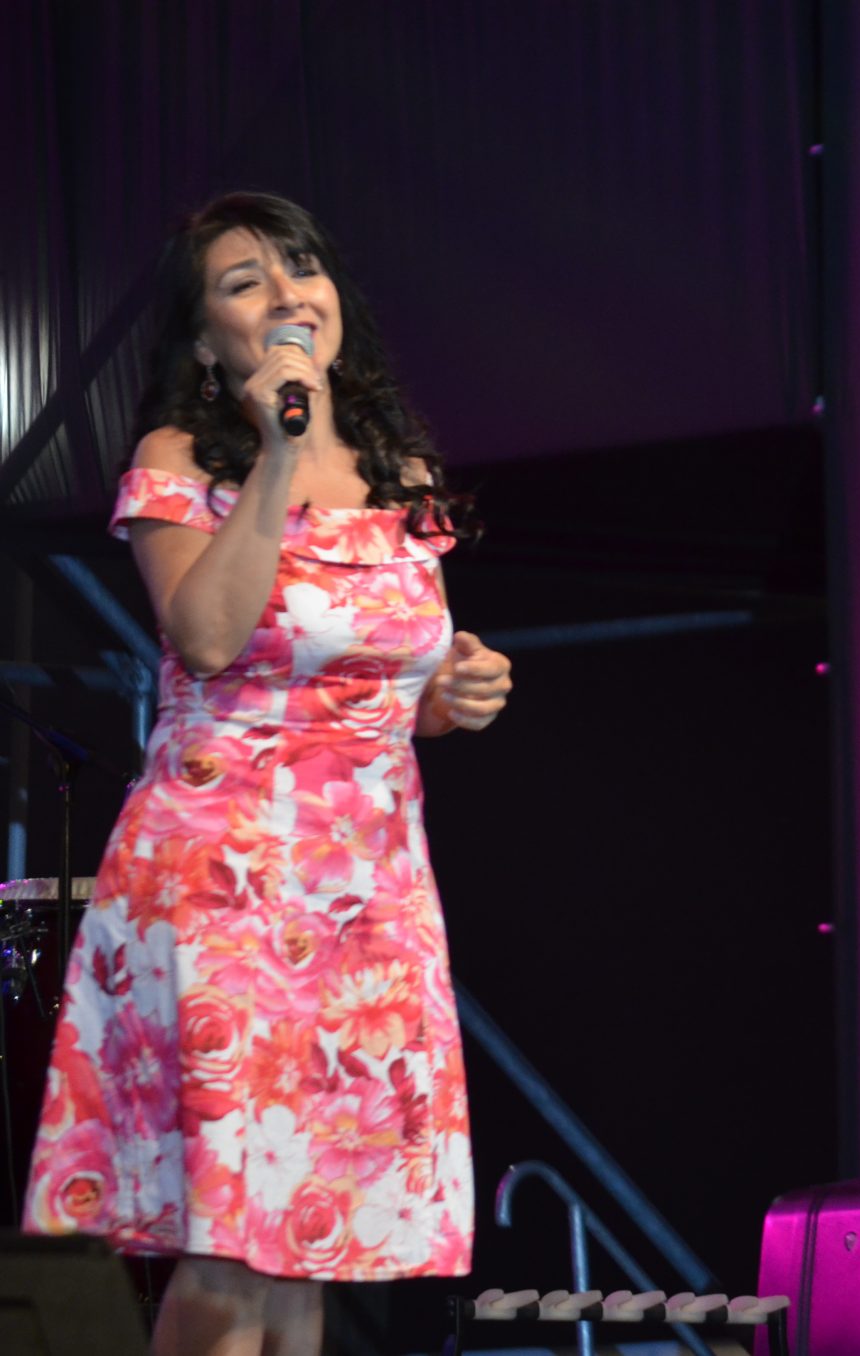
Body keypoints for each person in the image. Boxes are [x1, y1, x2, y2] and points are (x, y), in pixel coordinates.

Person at [20, 192, 512, 1356]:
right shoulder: (179, 462)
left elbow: (389, 683)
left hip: (371, 900)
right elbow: (207, 636)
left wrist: (454, 694)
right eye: (247, 283)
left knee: (309, 1251)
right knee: (235, 1256)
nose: (291, 294)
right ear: (206, 342)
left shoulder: (403, 476)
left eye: (303, 268)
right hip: (225, 882)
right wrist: (282, 451)